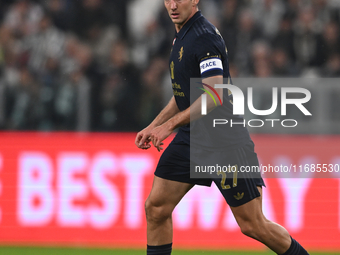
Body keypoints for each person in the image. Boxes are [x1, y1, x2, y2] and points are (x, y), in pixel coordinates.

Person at [135, 1, 310, 254]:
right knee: (156, 207)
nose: (172, 5)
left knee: (253, 225)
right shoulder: (180, 36)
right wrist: (154, 125)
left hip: (223, 143)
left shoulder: (204, 37)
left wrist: (168, 126)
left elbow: (214, 95)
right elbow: (182, 93)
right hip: (191, 138)